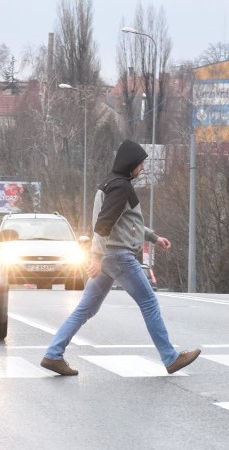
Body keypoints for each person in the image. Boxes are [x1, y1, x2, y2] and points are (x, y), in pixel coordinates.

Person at [40, 139, 201, 376]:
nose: (143, 168)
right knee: (149, 303)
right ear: (131, 164)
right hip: (118, 256)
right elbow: (103, 224)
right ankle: (170, 357)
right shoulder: (121, 187)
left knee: (86, 308)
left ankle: (53, 354)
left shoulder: (110, 184)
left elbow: (126, 224)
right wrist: (95, 256)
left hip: (108, 256)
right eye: (141, 164)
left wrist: (154, 238)